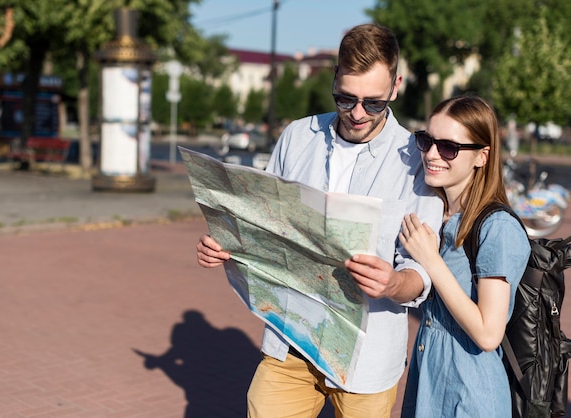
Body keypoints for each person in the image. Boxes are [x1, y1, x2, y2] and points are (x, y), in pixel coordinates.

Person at [196, 23, 443, 417]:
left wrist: (395, 282)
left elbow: (424, 270)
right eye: (345, 99)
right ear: (333, 78)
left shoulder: (417, 159)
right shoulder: (298, 136)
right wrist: (228, 244)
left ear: (396, 87)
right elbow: (262, 223)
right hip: (291, 342)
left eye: (374, 103)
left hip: (367, 356)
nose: (358, 113)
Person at [398, 95, 531, 417]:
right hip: (429, 389)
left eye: (448, 147)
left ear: (482, 156)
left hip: (470, 398)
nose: (431, 154)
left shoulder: (497, 228)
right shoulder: (436, 215)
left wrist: (431, 261)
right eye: (426, 140)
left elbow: (488, 333)